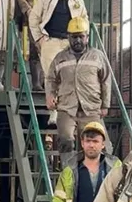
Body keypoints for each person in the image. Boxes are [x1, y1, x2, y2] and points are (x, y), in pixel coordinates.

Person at [45, 17, 111, 166]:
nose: (77, 40)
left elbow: (106, 80)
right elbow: (50, 79)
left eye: (81, 36)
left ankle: (97, 172)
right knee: (66, 138)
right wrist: (50, 95)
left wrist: (105, 105)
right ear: (68, 38)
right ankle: (69, 171)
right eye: (74, 37)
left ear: (87, 37)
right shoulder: (60, 58)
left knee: (98, 142)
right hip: (67, 108)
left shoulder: (97, 56)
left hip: (91, 108)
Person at [29, 0, 88, 127]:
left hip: (70, 43)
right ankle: (53, 112)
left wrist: (82, 40)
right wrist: (39, 38)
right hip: (51, 42)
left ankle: (69, 111)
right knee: (51, 75)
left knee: (70, 76)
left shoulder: (78, 1)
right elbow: (33, 18)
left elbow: (84, 20)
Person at [17, 0, 59, 91]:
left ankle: (46, 83)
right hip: (35, 21)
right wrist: (29, 12)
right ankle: (36, 83)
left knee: (50, 51)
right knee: (36, 50)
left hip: (51, 20)